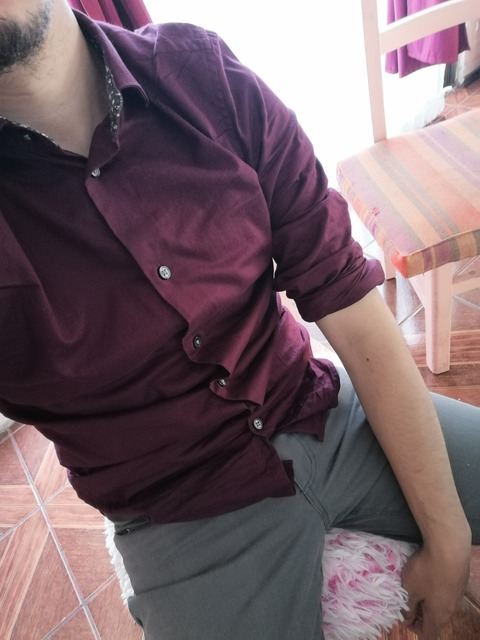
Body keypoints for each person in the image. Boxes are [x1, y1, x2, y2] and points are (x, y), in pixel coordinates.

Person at [0, 2, 479, 639]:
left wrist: (449, 540)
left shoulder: (202, 74)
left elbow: (345, 296)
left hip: (320, 410)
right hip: (178, 511)